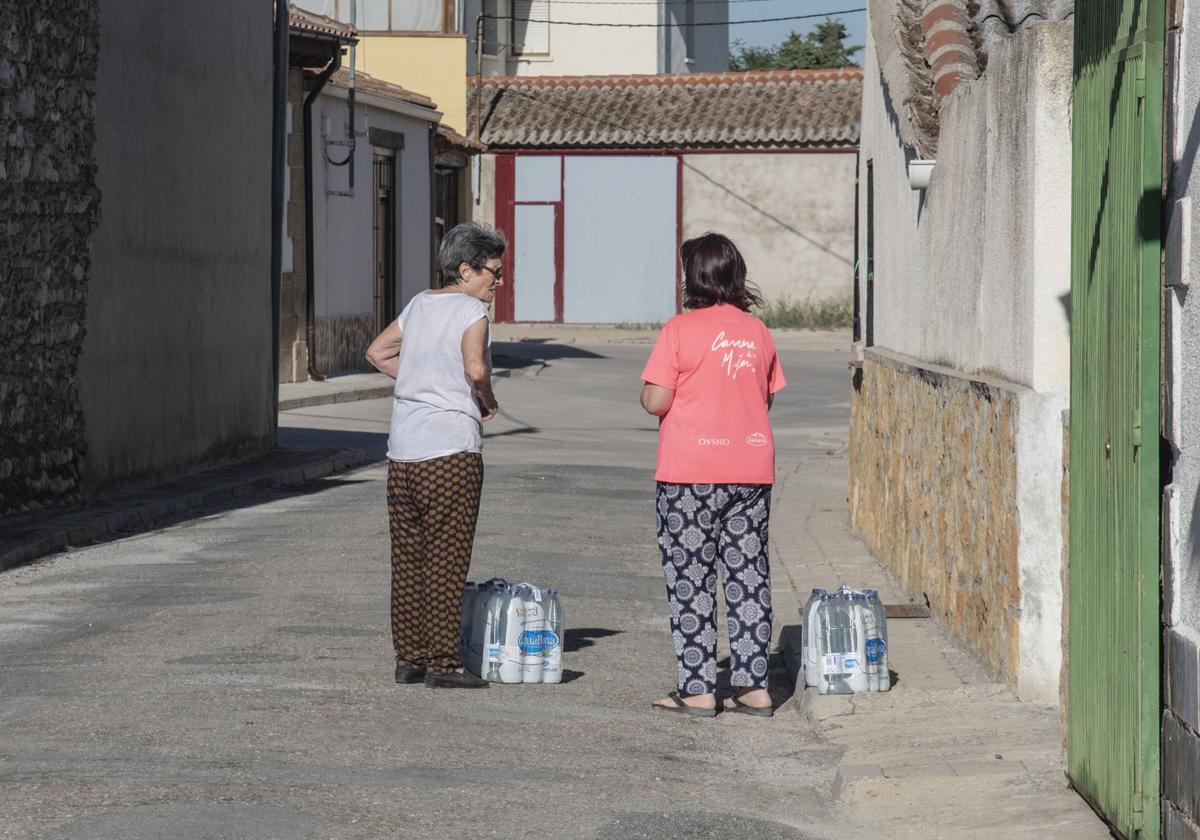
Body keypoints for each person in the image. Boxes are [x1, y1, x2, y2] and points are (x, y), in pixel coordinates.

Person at [639, 232, 786, 717]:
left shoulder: (679, 330)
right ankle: (753, 687)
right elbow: (765, 397)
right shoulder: (757, 331)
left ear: (693, 276)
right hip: (750, 471)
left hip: (690, 474)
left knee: (691, 577)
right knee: (748, 574)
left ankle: (699, 690)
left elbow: (656, 400)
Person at [365, 222, 506, 689]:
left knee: (408, 557)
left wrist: (418, 380)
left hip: (402, 452)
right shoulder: (472, 311)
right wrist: (485, 399)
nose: (497, 283)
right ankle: (444, 664)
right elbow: (474, 368)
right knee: (446, 556)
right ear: (466, 270)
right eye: (493, 272)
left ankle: (410, 657)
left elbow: (378, 352)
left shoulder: (419, 304)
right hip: (450, 451)